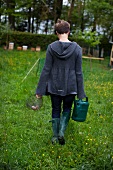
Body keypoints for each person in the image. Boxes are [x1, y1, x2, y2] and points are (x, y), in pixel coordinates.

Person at [36, 19, 86, 145]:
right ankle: (61, 133)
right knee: (67, 109)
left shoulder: (51, 47)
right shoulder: (77, 49)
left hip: (54, 86)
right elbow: (79, 72)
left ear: (57, 32)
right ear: (68, 31)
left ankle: (54, 136)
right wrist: (81, 93)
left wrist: (40, 90)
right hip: (71, 87)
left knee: (56, 109)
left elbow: (46, 69)